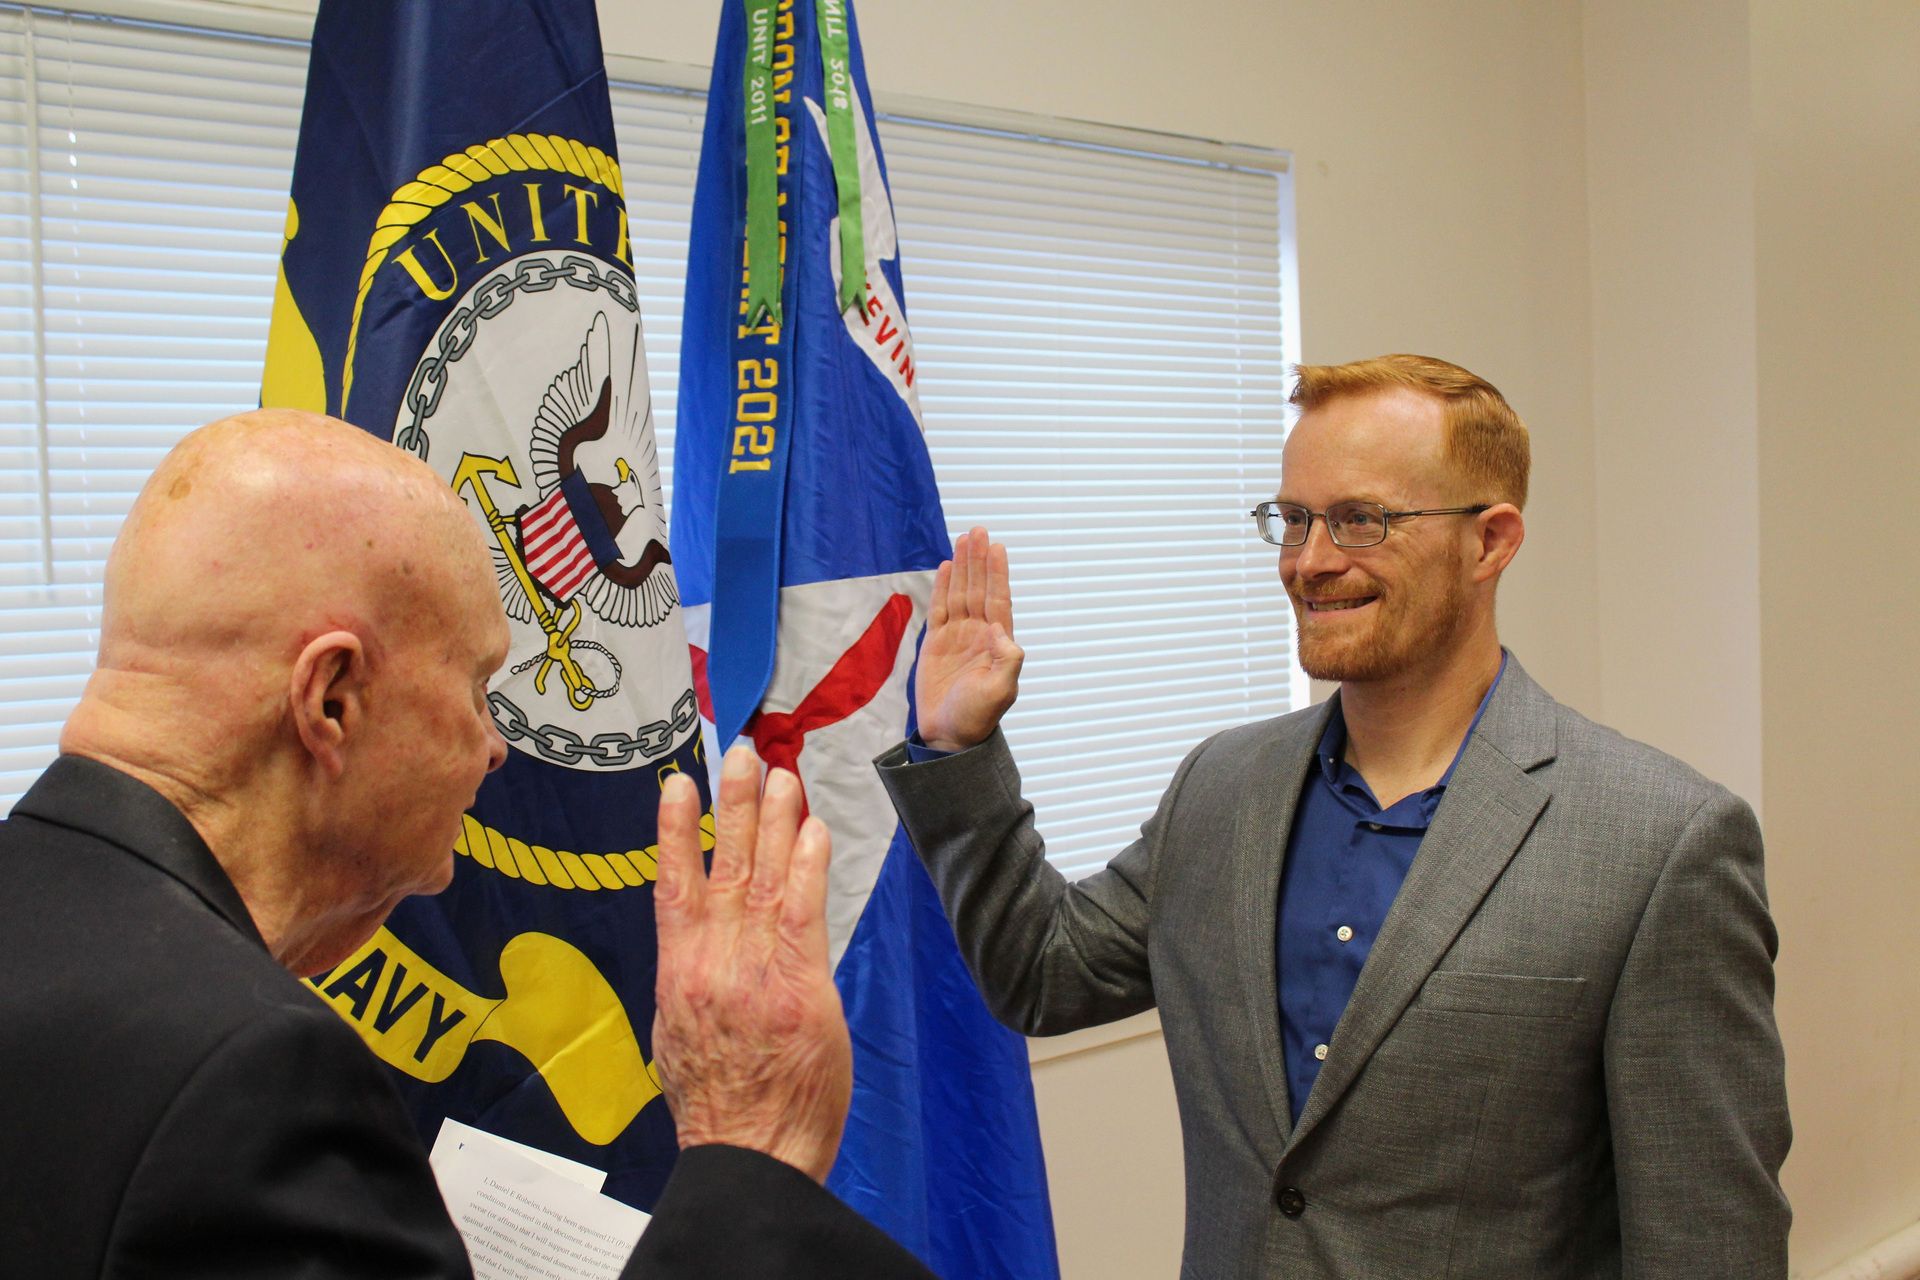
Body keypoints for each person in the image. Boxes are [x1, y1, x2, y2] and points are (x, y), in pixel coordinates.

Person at [877, 355, 1791, 1278]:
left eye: (1362, 520)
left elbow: (1707, 1242)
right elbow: (1044, 974)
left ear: (1491, 541)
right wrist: (956, 749)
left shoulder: (1660, 843)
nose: (1310, 561)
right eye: (1295, 519)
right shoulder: (1223, 786)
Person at [0, 409, 934, 1280]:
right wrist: (749, 1153)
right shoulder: (251, 1077)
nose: (495, 747)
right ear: (332, 699)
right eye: (480, 686)